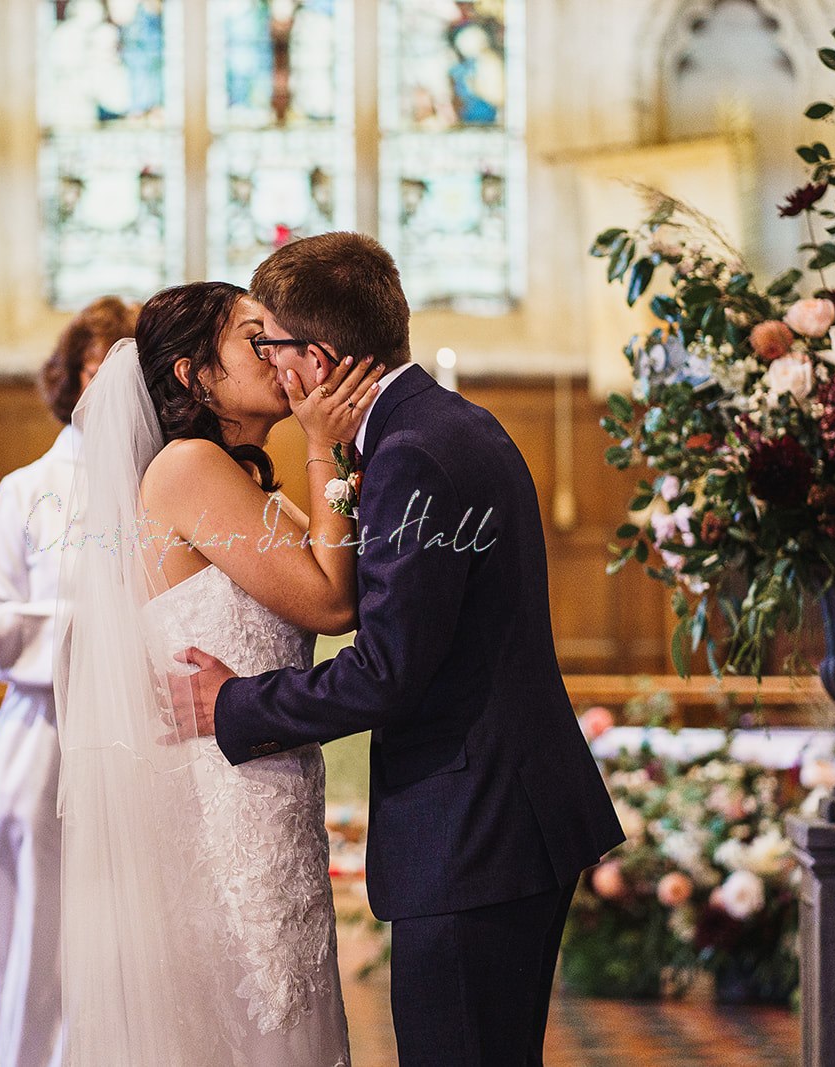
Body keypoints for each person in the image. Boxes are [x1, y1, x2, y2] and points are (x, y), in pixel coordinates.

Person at [174, 232, 626, 1066]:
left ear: (313, 357)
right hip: (504, 813)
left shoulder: (411, 454)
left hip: (475, 827)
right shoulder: (443, 423)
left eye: (270, 343)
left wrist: (235, 703)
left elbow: (388, 670)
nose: (269, 365)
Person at [54, 281, 381, 1065]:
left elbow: (348, 575)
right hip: (225, 797)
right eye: (252, 337)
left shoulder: (240, 478)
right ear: (193, 376)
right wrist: (323, 444)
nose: (278, 353)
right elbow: (333, 601)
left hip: (266, 778)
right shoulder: (188, 467)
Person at [0, 295, 138, 1067]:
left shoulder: (160, 485)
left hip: (135, 743)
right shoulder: (25, 490)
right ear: (71, 378)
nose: (107, 389)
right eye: (96, 368)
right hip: (43, 742)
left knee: (128, 942)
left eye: (125, 371)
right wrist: (89, 630)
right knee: (40, 940)